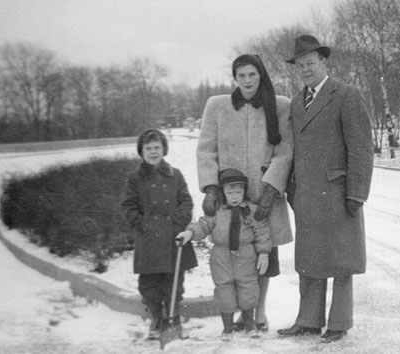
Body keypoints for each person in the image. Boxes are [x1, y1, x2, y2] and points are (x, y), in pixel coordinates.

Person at [277, 35, 374, 343]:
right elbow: (292, 149)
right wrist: (292, 189)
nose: (305, 69)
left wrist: (357, 192)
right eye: (300, 65)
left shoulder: (346, 94)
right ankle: (308, 320)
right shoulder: (295, 102)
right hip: (307, 195)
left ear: (323, 61)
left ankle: (339, 323)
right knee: (310, 261)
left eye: (310, 63)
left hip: (338, 193)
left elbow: (361, 148)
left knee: (341, 262)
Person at [197, 54, 294, 332]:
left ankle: (258, 313)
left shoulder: (279, 106)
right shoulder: (218, 106)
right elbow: (206, 149)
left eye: (252, 74)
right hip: (230, 196)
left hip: (264, 197)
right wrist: (211, 188)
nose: (248, 81)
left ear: (260, 75)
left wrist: (271, 190)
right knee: (232, 256)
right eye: (242, 76)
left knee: (264, 254)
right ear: (235, 78)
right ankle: (238, 314)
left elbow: (285, 151)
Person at [176, 168, 271, 341]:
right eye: (230, 192)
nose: (235, 196)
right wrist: (189, 233)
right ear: (223, 192)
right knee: (224, 290)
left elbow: (262, 231)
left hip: (246, 255)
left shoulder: (252, 211)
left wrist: (264, 253)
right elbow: (203, 225)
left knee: (248, 288)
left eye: (239, 192)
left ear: (244, 191)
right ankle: (227, 328)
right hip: (221, 256)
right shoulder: (217, 211)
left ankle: (250, 325)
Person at [121, 128, 197, 340]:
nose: (153, 152)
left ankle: (173, 319)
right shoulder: (134, 178)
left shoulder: (176, 175)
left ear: (164, 149)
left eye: (157, 147)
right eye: (148, 148)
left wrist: (178, 223)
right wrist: (143, 225)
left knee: (174, 284)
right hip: (149, 240)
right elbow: (128, 206)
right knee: (149, 286)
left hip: (173, 239)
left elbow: (186, 202)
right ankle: (157, 319)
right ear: (141, 151)